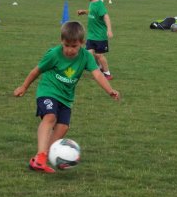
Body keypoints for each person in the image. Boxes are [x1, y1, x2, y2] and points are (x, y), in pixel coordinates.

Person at [14, 21, 120, 174]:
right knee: (50, 117)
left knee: (63, 126)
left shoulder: (85, 57)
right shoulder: (54, 54)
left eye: (74, 46)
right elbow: (36, 70)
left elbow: (97, 74)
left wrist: (110, 90)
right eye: (67, 45)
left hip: (66, 97)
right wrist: (24, 86)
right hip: (48, 91)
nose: (70, 50)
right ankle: (41, 156)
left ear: (82, 43)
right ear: (61, 41)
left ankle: (44, 155)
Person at [77, 0, 114, 80]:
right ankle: (97, 68)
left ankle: (107, 73)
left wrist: (109, 30)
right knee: (89, 54)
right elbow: (92, 12)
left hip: (99, 35)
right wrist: (84, 12)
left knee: (99, 55)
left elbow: (106, 17)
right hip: (91, 35)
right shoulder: (92, 3)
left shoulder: (99, 4)